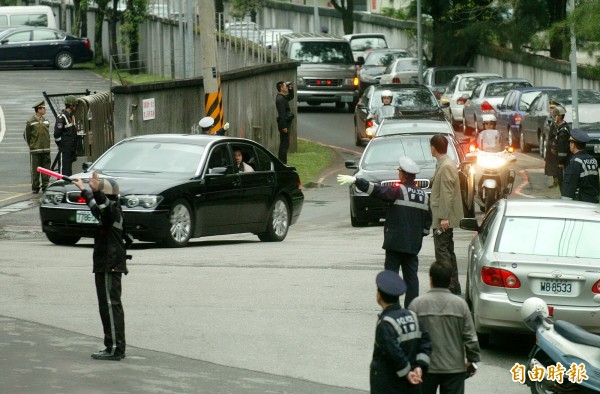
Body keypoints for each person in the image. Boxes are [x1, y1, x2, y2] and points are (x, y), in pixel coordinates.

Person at [337, 156, 431, 307]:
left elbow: (376, 190)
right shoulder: (424, 196)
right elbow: (427, 224)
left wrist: (356, 181)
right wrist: (417, 235)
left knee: (391, 277)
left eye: (399, 171)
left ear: (404, 174)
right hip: (413, 245)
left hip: (395, 244)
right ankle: (412, 309)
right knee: (412, 279)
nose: (398, 173)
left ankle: (392, 306)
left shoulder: (398, 191)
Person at [72, 171, 129, 361]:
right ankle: (113, 346)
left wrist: (95, 192)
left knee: (110, 307)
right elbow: (96, 209)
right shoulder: (111, 212)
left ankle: (115, 348)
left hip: (109, 264)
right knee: (107, 306)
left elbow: (102, 207)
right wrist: (84, 190)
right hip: (108, 264)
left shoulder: (111, 210)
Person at [409, 261, 481, 394]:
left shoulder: (417, 305)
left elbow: (410, 339)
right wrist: (472, 359)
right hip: (454, 367)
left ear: (431, 279)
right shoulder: (461, 305)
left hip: (426, 367)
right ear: (450, 281)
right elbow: (470, 337)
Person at [371, 270, 432, 394]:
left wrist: (407, 372)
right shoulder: (413, 316)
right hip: (412, 386)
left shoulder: (385, 323)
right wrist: (420, 366)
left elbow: (394, 351)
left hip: (390, 385)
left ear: (379, 296)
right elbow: (426, 341)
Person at [429, 134, 463, 295]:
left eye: (431, 146)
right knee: (448, 252)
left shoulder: (446, 166)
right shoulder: (443, 164)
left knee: (443, 254)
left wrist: (443, 217)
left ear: (434, 148)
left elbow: (447, 193)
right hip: (443, 217)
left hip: (443, 218)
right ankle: (454, 287)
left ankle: (448, 288)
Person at [561, 129, 599, 203]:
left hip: (580, 204)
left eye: (570, 143)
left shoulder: (575, 162)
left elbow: (568, 188)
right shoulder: (593, 160)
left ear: (573, 145)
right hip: (593, 202)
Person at [23, 100, 51, 193]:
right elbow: (27, 135)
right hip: (36, 149)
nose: (45, 110)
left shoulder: (46, 121)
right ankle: (35, 186)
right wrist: (31, 145)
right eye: (43, 108)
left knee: (46, 169)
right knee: (36, 169)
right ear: (39, 109)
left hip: (46, 149)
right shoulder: (31, 121)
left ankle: (45, 185)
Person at [54, 95, 79, 176]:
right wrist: (62, 145)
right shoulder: (62, 117)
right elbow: (57, 134)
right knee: (63, 171)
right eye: (75, 105)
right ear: (71, 105)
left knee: (69, 171)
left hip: (71, 149)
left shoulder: (71, 116)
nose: (76, 107)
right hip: (65, 149)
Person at [275, 80, 295, 164]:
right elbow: (281, 113)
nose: (286, 87)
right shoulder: (280, 99)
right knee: (284, 144)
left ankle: (282, 161)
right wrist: (284, 126)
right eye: (285, 86)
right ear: (281, 88)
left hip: (286, 123)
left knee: (285, 143)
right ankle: (282, 162)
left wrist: (290, 87)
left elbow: (291, 96)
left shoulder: (282, 97)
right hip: (284, 123)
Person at [553, 106, 571, 192]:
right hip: (561, 161)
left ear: (559, 116)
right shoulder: (560, 128)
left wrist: (561, 162)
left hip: (564, 162)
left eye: (555, 116)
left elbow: (562, 148)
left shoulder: (563, 130)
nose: (554, 118)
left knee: (563, 181)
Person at [544, 105, 561, 188]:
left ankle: (557, 182)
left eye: (553, 109)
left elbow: (555, 135)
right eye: (550, 109)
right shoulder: (550, 120)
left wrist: (553, 146)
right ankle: (555, 182)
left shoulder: (557, 122)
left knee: (555, 165)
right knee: (551, 164)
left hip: (554, 146)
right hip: (550, 145)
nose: (551, 111)